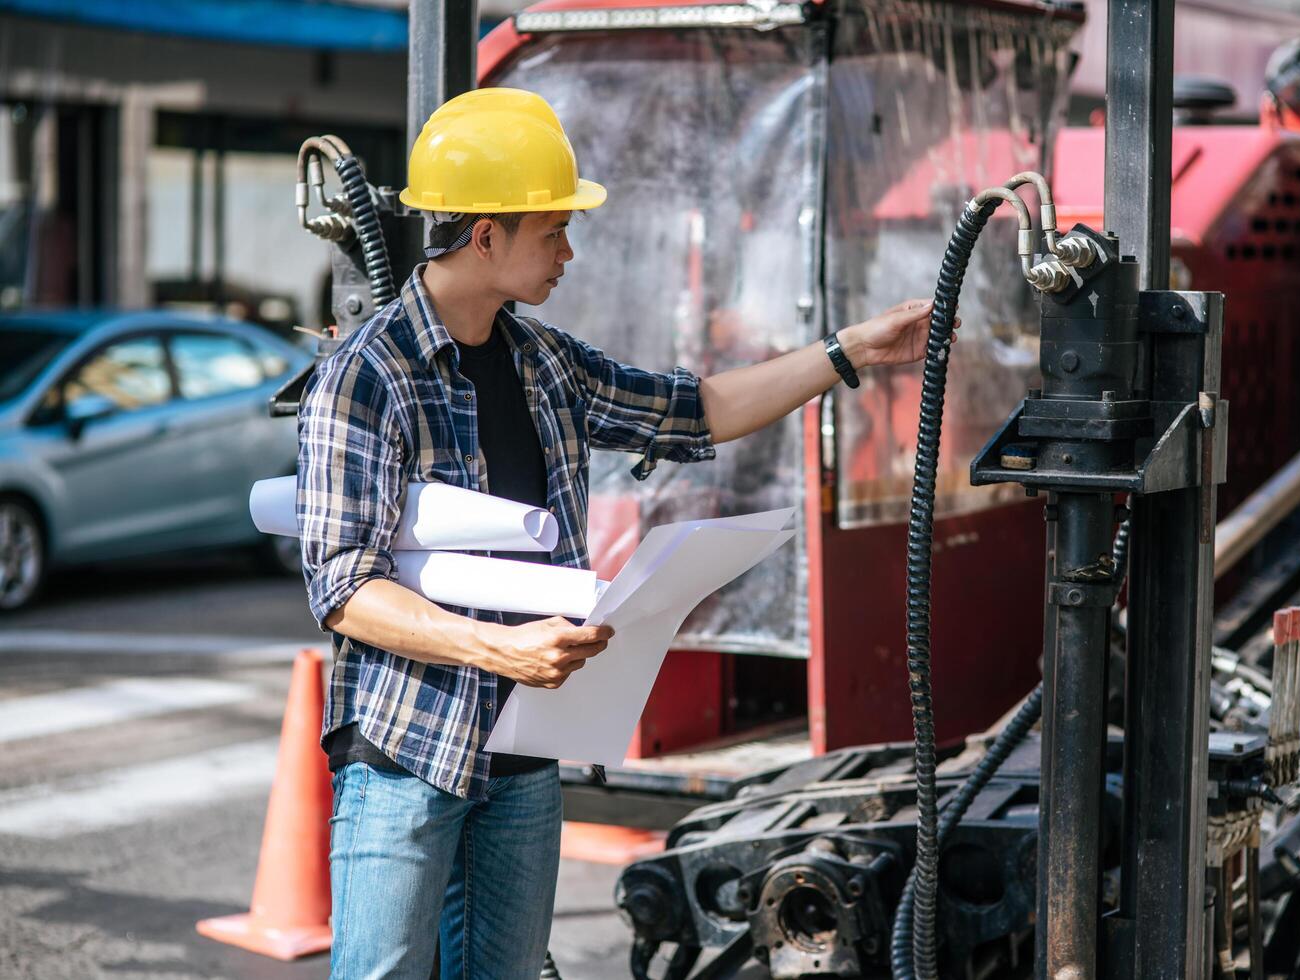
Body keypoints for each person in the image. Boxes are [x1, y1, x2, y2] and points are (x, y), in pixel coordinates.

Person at [296, 86, 947, 980]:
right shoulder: (365, 376)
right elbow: (343, 586)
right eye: (551, 230)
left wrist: (849, 353)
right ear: (485, 235)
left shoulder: (544, 363)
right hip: (411, 746)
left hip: (523, 747)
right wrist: (497, 652)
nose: (568, 249)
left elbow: (696, 410)